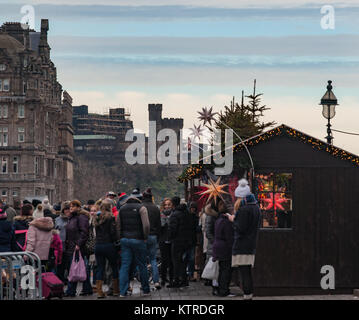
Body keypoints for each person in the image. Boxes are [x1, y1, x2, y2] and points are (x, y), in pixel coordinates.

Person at [116, 194, 150, 297]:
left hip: (125, 240)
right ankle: (145, 290)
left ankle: (122, 291)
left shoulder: (121, 209)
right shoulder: (142, 208)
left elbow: (118, 225)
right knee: (142, 264)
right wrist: (145, 236)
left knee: (125, 266)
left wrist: (120, 237)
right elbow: (146, 225)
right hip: (138, 239)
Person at [229, 193, 261, 300]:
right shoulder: (256, 208)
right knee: (247, 271)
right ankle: (249, 294)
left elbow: (240, 228)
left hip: (242, 245)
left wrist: (233, 219)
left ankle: (247, 295)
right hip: (250, 244)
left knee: (244, 272)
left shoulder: (244, 210)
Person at [63, 200, 90, 297]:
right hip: (71, 246)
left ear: (78, 207)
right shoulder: (72, 218)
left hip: (78, 247)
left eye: (73, 206)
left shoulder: (81, 217)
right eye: (70, 206)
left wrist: (78, 244)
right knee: (76, 268)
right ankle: (86, 288)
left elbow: (84, 232)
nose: (71, 208)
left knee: (76, 268)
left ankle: (71, 290)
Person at [93, 201, 119, 298]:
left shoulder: (96, 217)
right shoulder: (111, 218)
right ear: (109, 207)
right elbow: (113, 232)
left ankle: (100, 292)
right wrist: (115, 241)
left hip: (98, 246)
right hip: (108, 245)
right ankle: (116, 290)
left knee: (100, 268)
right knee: (114, 266)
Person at [168, 196, 194, 288]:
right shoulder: (186, 212)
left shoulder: (174, 214)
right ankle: (184, 279)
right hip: (186, 240)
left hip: (177, 240)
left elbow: (173, 229)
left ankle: (176, 280)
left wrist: (170, 237)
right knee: (183, 261)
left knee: (176, 260)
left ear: (173, 204)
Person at [212, 199, 235, 297]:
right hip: (225, 247)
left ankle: (221, 288)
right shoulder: (226, 222)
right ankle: (224, 290)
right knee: (226, 269)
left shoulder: (218, 220)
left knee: (222, 269)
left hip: (218, 246)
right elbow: (229, 237)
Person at [142, 188, 161, 289]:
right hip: (153, 235)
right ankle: (156, 281)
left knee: (144, 260)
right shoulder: (155, 208)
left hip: (143, 236)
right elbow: (159, 223)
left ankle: (145, 282)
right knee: (153, 259)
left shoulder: (141, 207)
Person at [159, 198, 174, 286]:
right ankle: (163, 278)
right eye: (166, 205)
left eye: (169, 204)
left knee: (172, 260)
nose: (167, 206)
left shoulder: (174, 214)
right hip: (163, 239)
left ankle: (172, 278)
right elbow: (161, 226)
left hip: (171, 239)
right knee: (164, 260)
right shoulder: (161, 215)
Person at [55, 201, 71, 283]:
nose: (67, 211)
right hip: (60, 246)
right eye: (66, 209)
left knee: (70, 267)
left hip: (70, 246)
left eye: (69, 208)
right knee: (60, 267)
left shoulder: (73, 219)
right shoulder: (57, 219)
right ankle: (60, 283)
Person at [185, 201, 199, 282]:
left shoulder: (195, 218)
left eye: (194, 208)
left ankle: (190, 274)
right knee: (189, 258)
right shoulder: (190, 217)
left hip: (191, 240)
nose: (193, 210)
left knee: (191, 258)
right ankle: (188, 274)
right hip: (189, 240)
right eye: (192, 208)